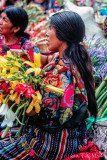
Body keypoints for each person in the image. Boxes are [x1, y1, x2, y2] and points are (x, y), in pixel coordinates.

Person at [0, 11, 104, 160]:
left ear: (63, 33)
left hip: (50, 145)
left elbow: (37, 115)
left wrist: (9, 92)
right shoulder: (76, 59)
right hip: (74, 140)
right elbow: (41, 58)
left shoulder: (59, 73)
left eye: (50, 28)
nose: (47, 33)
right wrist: (13, 53)